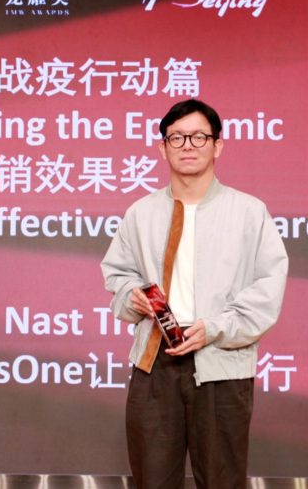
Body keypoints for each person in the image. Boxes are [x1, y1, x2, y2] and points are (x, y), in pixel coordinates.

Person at [101, 99, 288, 489]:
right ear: (162, 147)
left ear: (217, 145)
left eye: (199, 137)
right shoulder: (140, 213)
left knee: (222, 481)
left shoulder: (249, 212)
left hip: (222, 364)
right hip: (155, 363)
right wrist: (132, 296)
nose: (188, 145)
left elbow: (268, 288)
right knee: (152, 480)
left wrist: (216, 328)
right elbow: (117, 274)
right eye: (177, 138)